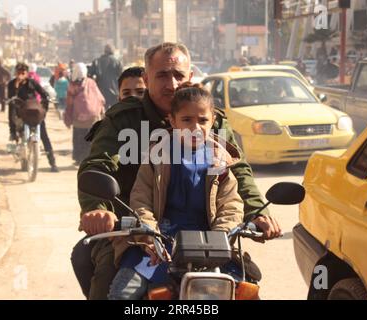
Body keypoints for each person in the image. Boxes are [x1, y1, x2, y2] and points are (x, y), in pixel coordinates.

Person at [72, 43, 281, 300]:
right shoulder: (124, 120)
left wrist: (259, 213)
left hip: (208, 236)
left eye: (178, 75)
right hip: (136, 231)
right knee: (110, 288)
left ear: (190, 76)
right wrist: (99, 209)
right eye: (161, 75)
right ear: (146, 78)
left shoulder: (210, 119)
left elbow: (238, 175)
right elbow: (97, 167)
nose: (171, 84)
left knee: (247, 288)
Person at [108, 83, 245, 300]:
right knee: (122, 294)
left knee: (245, 290)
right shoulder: (157, 157)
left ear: (213, 122)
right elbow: (140, 199)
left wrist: (220, 237)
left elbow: (231, 204)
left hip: (210, 245)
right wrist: (150, 236)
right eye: (186, 120)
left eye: (202, 120)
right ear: (173, 121)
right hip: (161, 243)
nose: (196, 127)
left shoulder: (220, 160)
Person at [7, 62, 59, 173]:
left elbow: (43, 93)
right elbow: (11, 98)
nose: (20, 74)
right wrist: (16, 86)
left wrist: (46, 100)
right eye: (18, 72)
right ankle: (13, 134)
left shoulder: (32, 82)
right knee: (12, 114)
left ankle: (53, 163)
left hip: (33, 111)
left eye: (23, 72)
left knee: (44, 136)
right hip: (20, 111)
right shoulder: (12, 84)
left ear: (26, 73)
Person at [64, 63, 105, 166]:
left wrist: (68, 118)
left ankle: (79, 159)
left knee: (78, 138)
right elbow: (100, 98)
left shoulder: (73, 85)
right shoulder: (91, 82)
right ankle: (88, 158)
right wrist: (101, 112)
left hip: (78, 119)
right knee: (90, 139)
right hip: (92, 118)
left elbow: (69, 104)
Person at [95, 45, 123, 109]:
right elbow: (121, 76)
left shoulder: (98, 61)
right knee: (115, 111)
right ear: (112, 51)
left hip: (101, 91)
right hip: (115, 91)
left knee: (103, 111)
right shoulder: (117, 61)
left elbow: (90, 74)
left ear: (104, 51)